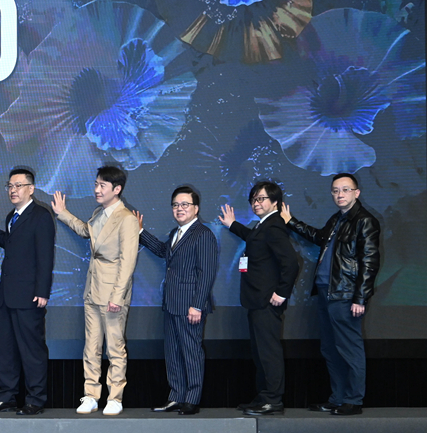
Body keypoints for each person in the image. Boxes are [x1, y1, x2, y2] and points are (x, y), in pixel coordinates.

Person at [281, 172, 380, 416]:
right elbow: (318, 237)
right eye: (335, 190)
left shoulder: (365, 221)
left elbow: (369, 262)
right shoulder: (337, 219)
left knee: (349, 348)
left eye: (345, 190)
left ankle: (353, 400)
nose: (340, 194)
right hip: (326, 291)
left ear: (356, 193)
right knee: (330, 348)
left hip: (345, 294)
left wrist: (360, 298)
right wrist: (291, 221)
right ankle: (337, 398)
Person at [49, 165, 140, 416]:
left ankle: (115, 397)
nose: (97, 189)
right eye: (96, 184)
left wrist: (117, 296)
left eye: (102, 185)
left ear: (117, 189)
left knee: (115, 347)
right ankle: (90, 395)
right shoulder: (99, 213)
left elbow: (128, 262)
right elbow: (85, 232)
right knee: (91, 347)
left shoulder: (127, 219)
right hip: (92, 289)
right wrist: (63, 213)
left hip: (113, 293)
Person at [0, 167, 55, 416]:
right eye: (10, 186)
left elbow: (45, 256)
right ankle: (6, 397)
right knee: (6, 349)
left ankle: (35, 399)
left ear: (31, 189)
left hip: (30, 295)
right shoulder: (12, 216)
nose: (13, 190)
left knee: (32, 350)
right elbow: (11, 245)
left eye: (18, 185)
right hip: (7, 294)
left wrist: (43, 291)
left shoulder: (41, 215)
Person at [135, 186, 219, 416]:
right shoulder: (176, 232)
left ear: (196, 208)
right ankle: (176, 396)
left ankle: (192, 399)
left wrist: (197, 305)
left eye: (185, 204)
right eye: (175, 205)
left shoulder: (203, 234)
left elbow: (206, 273)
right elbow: (163, 251)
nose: (179, 209)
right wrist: (141, 232)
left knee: (191, 353)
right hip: (172, 304)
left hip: (190, 306)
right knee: (173, 353)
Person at [220, 181, 300, 416]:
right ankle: (263, 397)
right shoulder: (263, 226)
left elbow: (291, 263)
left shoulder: (274, 226)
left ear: (275, 203)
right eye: (254, 199)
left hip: (266, 301)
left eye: (261, 199)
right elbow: (253, 238)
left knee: (268, 352)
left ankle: (273, 399)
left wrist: (281, 292)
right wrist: (233, 225)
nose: (256, 203)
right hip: (256, 300)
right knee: (259, 352)